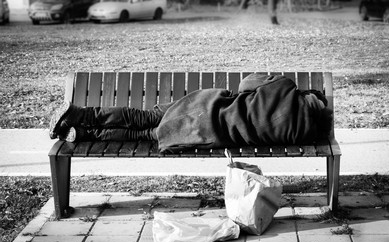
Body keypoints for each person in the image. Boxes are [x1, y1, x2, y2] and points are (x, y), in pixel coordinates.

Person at [49, 74, 332, 153]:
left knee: (143, 117)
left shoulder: (284, 87)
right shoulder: (303, 133)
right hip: (212, 134)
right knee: (148, 133)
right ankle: (86, 133)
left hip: (208, 108)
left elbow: (247, 84)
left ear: (309, 96)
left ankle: (79, 113)